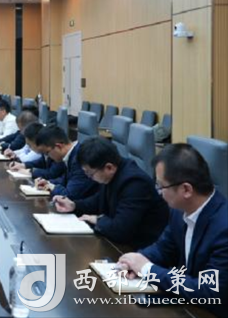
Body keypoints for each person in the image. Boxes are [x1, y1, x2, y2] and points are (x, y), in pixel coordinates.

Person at [117, 144, 227, 317]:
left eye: (161, 186)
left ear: (186, 189)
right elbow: (164, 248)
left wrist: (147, 269)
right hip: (187, 305)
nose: (159, 193)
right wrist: (135, 261)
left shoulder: (224, 227)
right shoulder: (179, 211)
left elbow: (210, 291)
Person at [53, 137, 169, 248]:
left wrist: (97, 220)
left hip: (139, 248)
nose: (89, 178)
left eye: (90, 174)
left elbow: (120, 230)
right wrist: (74, 205)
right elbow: (98, 200)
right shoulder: (112, 172)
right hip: (121, 243)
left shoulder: (135, 183)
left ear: (109, 167)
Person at [33, 126, 99, 200]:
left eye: (47, 153)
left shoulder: (79, 158)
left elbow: (70, 195)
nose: (48, 157)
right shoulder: (72, 154)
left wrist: (51, 186)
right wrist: (47, 182)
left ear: (59, 146)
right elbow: (66, 179)